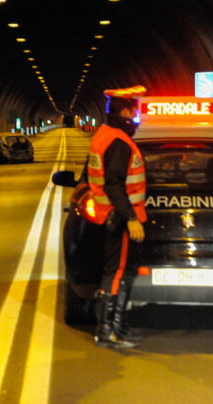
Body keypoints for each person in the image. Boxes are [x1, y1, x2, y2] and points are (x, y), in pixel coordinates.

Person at [87, 85, 148, 349]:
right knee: (116, 273)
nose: (135, 116)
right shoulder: (119, 143)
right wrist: (131, 218)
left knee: (117, 272)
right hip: (120, 219)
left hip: (108, 215)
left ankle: (116, 329)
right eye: (133, 110)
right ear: (125, 110)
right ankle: (108, 331)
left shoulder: (103, 135)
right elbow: (114, 185)